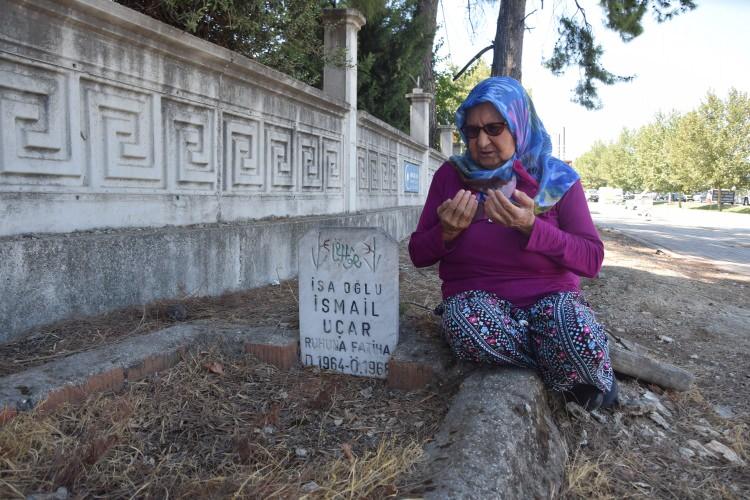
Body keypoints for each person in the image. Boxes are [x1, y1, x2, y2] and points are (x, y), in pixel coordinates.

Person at [409, 77, 617, 410]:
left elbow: (591, 259)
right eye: (473, 131)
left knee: (567, 323)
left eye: (494, 128)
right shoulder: (450, 177)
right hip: (478, 303)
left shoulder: (557, 179)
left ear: (519, 124)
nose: (482, 141)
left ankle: (568, 357)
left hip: (552, 301)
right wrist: (446, 233)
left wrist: (531, 227)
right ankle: (567, 367)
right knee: (466, 324)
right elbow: (418, 253)